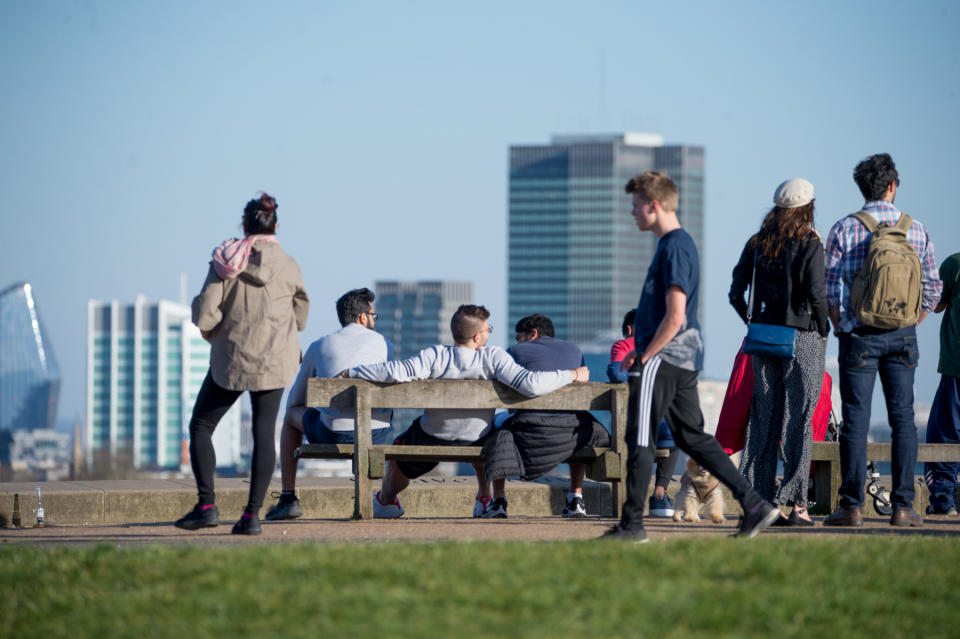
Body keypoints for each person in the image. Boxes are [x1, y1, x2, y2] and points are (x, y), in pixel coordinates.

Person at [602, 171, 780, 542]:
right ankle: (754, 505)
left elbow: (676, 315)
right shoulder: (675, 245)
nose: (632, 213)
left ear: (653, 206)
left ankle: (632, 525)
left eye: (635, 206)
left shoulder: (674, 248)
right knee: (692, 437)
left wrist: (644, 354)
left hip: (664, 358)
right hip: (681, 359)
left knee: (639, 438)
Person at [341, 304, 590, 518]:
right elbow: (531, 384)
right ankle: (484, 496)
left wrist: (353, 372)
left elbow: (395, 371)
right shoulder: (493, 357)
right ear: (476, 338)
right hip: (477, 439)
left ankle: (386, 501)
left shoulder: (435, 355)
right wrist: (573, 374)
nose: (489, 335)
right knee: (492, 428)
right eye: (487, 330)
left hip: (432, 437)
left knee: (397, 452)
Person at [175, 192, 309, 535]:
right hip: (275, 361)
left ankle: (206, 506)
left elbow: (206, 314)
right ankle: (251, 517)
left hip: (230, 358)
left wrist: (215, 332)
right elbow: (302, 314)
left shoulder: (225, 261)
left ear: (245, 226)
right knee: (263, 434)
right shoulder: (289, 264)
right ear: (275, 225)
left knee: (202, 427)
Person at [823, 153, 942, 528]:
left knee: (855, 420)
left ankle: (852, 506)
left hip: (858, 334)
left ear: (862, 187)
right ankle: (903, 507)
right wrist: (912, 322)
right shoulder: (916, 230)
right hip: (902, 335)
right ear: (892, 186)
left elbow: (828, 289)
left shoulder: (844, 228)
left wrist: (843, 325)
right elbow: (933, 289)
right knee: (903, 420)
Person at [728, 178, 829, 527]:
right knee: (800, 421)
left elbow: (735, 292)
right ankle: (798, 504)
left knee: (763, 419)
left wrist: (752, 322)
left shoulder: (758, 242)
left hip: (763, 339)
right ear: (808, 207)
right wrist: (822, 330)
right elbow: (817, 293)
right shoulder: (810, 242)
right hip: (803, 338)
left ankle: (760, 502)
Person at [264, 288, 394, 521]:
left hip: (334, 434)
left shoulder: (319, 346)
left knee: (291, 416)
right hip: (378, 434)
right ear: (363, 317)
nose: (374, 320)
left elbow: (295, 401)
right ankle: (385, 496)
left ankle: (288, 497)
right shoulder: (386, 344)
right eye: (373, 316)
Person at [482, 314, 610, 518]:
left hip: (529, 431)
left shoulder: (514, 352)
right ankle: (575, 497)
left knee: (498, 433)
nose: (518, 342)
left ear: (533, 333)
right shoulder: (575, 351)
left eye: (519, 337)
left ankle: (498, 500)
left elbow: (510, 405)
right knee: (581, 428)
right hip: (571, 432)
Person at [609, 309, 680, 518]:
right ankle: (660, 494)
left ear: (629, 329)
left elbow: (616, 373)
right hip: (664, 434)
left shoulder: (623, 346)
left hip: (631, 431)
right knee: (673, 433)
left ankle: (635, 502)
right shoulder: (665, 348)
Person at [924, 252, 960, 515]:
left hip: (956, 365)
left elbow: (935, 304)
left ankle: (943, 499)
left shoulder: (955, 264)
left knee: (945, 432)